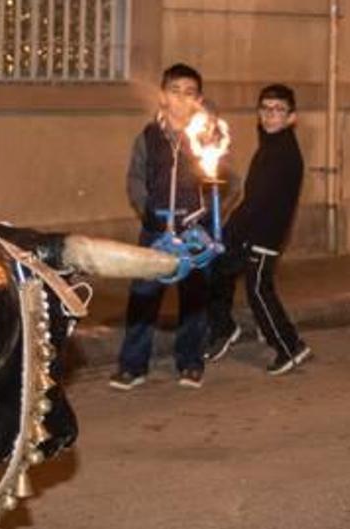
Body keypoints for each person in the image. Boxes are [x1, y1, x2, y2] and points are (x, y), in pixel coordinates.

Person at [111, 63, 231, 391]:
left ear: (198, 99)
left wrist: (208, 218)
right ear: (163, 96)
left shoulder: (208, 137)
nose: (181, 99)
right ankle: (133, 365)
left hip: (195, 232)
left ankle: (191, 362)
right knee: (144, 297)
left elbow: (229, 182)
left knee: (194, 299)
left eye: (189, 93)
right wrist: (146, 209)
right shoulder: (148, 137)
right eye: (175, 91)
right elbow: (135, 178)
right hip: (156, 228)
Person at [203, 84, 311, 375]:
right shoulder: (271, 147)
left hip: (264, 236)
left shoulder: (281, 153)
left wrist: (228, 234)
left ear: (291, 117)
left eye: (278, 110)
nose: (270, 115)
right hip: (254, 233)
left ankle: (289, 347)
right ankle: (224, 328)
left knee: (259, 291)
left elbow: (257, 202)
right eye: (265, 108)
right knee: (220, 272)